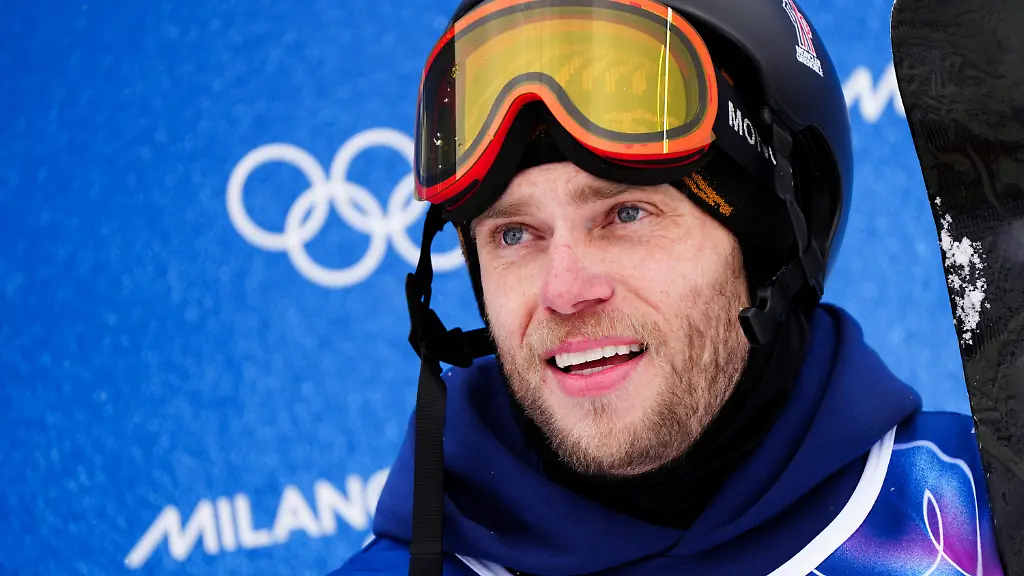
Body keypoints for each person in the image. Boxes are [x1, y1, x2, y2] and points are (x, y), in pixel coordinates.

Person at [332, 0, 1005, 574]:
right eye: (514, 234)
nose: (565, 290)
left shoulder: (984, 509)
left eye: (626, 215)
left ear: (767, 248)